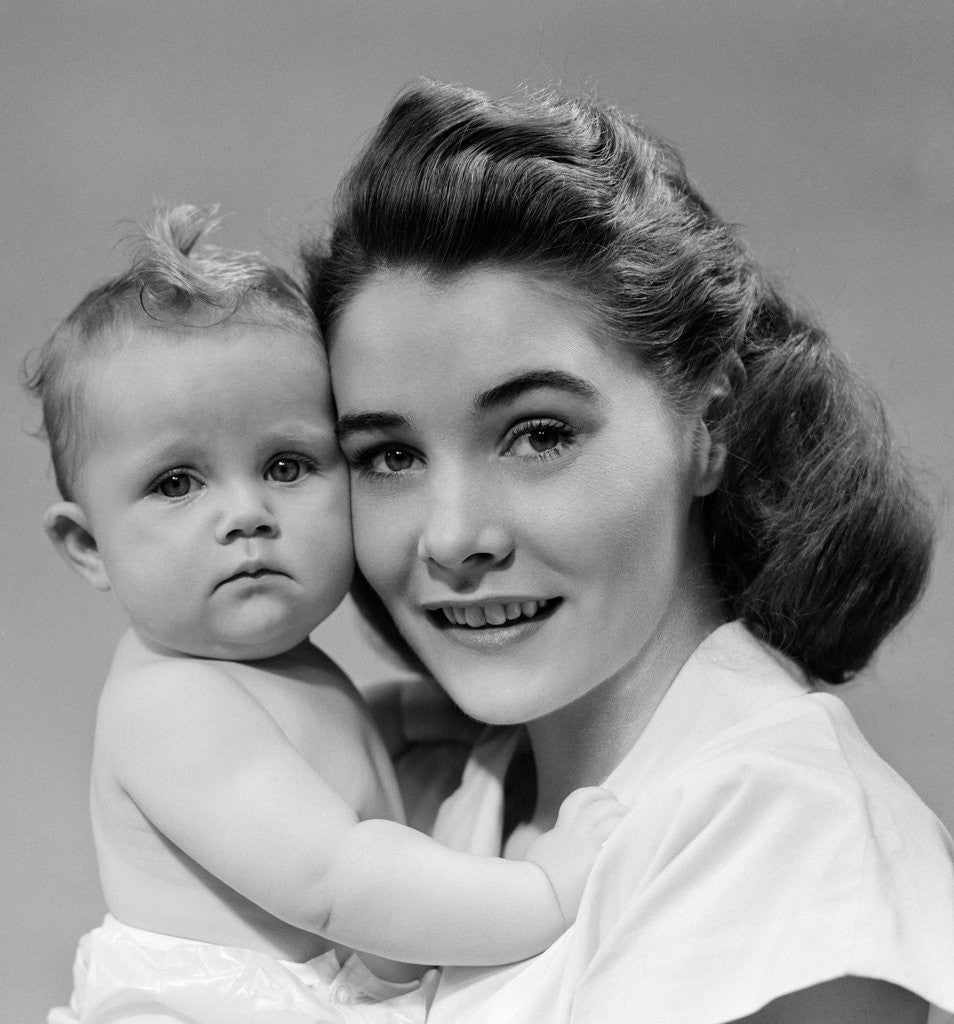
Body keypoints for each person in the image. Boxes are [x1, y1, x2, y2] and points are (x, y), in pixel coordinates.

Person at [304, 80, 954, 1024]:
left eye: (537, 435)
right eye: (390, 456)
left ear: (712, 425)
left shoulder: (787, 831)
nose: (451, 539)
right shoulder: (436, 798)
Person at [26, 204, 626, 1024]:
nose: (246, 514)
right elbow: (340, 879)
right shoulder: (167, 709)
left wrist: (396, 721)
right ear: (87, 544)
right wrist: (546, 892)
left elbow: (293, 770)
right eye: (176, 483)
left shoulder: (254, 673)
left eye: (285, 464)